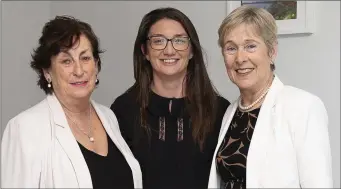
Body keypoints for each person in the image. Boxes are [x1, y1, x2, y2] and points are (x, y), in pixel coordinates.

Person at [1, 15, 142, 188]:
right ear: (47, 72)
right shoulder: (24, 129)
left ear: (96, 65)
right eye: (66, 61)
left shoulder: (109, 117)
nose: (79, 70)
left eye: (85, 58)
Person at [207, 5, 333, 188]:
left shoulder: (303, 106)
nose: (240, 58)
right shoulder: (230, 112)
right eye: (231, 48)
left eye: (250, 46)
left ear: (272, 51)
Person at [111, 7, 230, 189]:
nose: (169, 50)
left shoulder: (219, 110)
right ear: (145, 51)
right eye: (158, 41)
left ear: (191, 51)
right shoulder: (123, 110)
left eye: (179, 41)